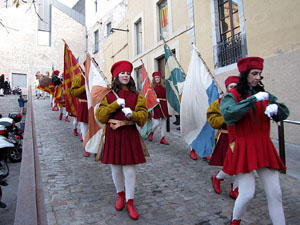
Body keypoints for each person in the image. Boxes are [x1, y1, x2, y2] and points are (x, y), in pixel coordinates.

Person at [219, 57, 289, 225]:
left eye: (259, 74)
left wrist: (277, 110)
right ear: (245, 75)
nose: (258, 77)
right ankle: (235, 220)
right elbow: (229, 114)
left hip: (264, 146)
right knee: (247, 193)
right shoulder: (231, 96)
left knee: (276, 194)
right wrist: (252, 100)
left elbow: (284, 111)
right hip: (244, 147)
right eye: (254, 73)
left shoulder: (265, 95)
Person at [95, 60, 148, 220]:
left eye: (127, 73)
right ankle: (120, 195)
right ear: (116, 76)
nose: (125, 76)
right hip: (113, 134)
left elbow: (143, 116)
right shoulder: (108, 94)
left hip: (129, 134)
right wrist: (114, 105)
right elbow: (101, 116)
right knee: (116, 167)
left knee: (130, 169)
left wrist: (133, 114)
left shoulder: (137, 95)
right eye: (122, 73)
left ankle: (130, 201)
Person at [208, 76, 239, 199]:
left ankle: (235, 189)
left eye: (236, 87)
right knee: (230, 164)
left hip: (240, 138)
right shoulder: (219, 102)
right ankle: (217, 178)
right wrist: (224, 119)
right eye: (231, 87)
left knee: (240, 165)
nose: (233, 89)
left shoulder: (243, 101)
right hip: (226, 136)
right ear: (227, 88)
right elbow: (212, 118)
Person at [148, 72, 170, 145]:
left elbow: (167, 96)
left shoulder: (164, 87)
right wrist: (155, 99)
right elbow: (149, 97)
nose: (157, 79)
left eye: (158, 78)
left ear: (160, 79)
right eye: (155, 78)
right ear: (154, 79)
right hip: (156, 105)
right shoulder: (152, 88)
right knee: (156, 123)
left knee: (164, 123)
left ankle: (163, 138)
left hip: (163, 105)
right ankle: (151, 132)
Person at [71, 73, 89, 156]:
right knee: (84, 128)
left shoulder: (97, 77)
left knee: (97, 129)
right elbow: (74, 93)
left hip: (95, 105)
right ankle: (87, 147)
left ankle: (96, 148)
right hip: (84, 105)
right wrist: (85, 86)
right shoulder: (79, 77)